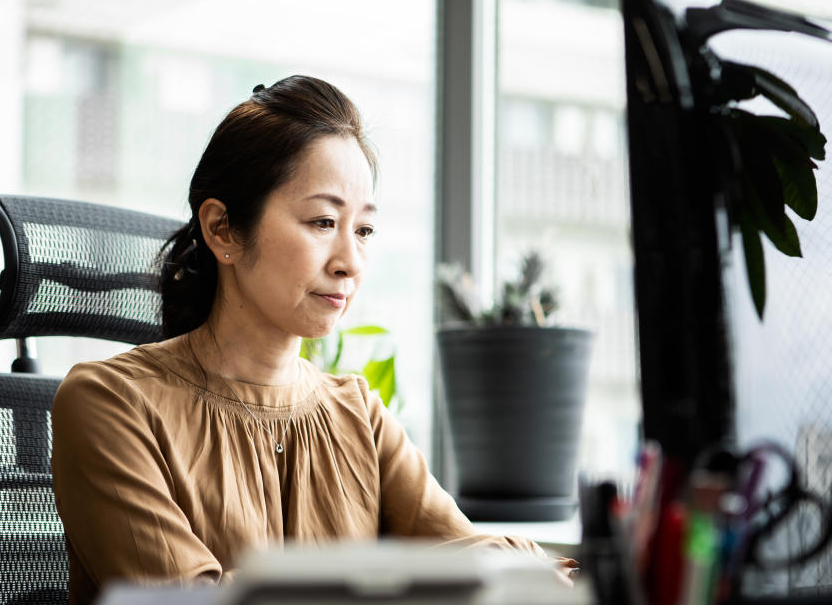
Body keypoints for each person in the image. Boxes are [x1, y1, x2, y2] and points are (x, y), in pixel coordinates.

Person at [51, 75, 573, 605]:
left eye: (363, 230)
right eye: (323, 222)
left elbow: (467, 548)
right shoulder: (109, 403)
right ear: (223, 230)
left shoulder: (357, 413)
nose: (350, 263)